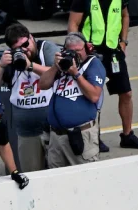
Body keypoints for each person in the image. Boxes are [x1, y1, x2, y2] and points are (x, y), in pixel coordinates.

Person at [68, 0, 138, 151]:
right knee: (93, 97)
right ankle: (93, 138)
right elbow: (73, 24)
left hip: (113, 53)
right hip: (91, 54)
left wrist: (123, 42)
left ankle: (127, 136)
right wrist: (78, 50)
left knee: (126, 93)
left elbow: (125, 16)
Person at [0, 23, 57, 173]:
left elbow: (57, 72)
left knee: (56, 174)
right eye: (19, 48)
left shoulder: (47, 49)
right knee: (32, 175)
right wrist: (0, 65)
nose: (25, 49)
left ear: (31, 37)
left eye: (26, 44)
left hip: (53, 128)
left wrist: (30, 66)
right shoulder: (11, 58)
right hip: (26, 130)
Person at [38, 33, 106, 169]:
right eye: (70, 51)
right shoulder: (61, 66)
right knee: (56, 181)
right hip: (56, 137)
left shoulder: (93, 65)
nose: (74, 55)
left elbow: (94, 96)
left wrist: (76, 74)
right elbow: (42, 85)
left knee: (85, 179)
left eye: (77, 51)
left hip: (80, 135)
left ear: (86, 49)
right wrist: (54, 67)